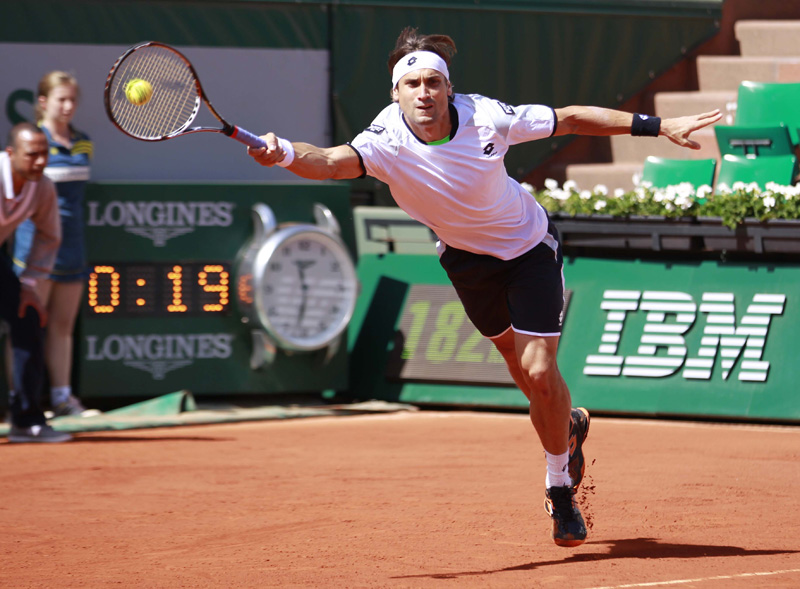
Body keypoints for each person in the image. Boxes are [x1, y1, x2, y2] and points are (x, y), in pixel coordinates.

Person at [245, 27, 722, 547]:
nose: (423, 92)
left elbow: (570, 118)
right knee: (518, 366)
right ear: (396, 93)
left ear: (448, 88)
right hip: (465, 262)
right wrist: (284, 152)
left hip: (528, 249)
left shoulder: (487, 117)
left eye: (433, 82)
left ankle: (559, 488)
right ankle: (568, 428)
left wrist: (659, 125)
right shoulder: (384, 140)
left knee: (539, 370)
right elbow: (329, 161)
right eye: (412, 84)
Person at [13, 71, 97, 418]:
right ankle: (22, 402)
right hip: (36, 246)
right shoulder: (34, 142)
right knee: (28, 328)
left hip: (72, 244)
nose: (68, 106)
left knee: (63, 326)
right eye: (61, 99)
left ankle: (62, 400)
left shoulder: (84, 142)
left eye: (73, 100)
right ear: (43, 102)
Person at [1, 122, 71, 443]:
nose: (41, 161)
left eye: (45, 154)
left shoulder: (42, 187)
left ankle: (26, 420)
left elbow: (48, 237)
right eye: (32, 154)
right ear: (11, 153)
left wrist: (28, 284)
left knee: (27, 316)